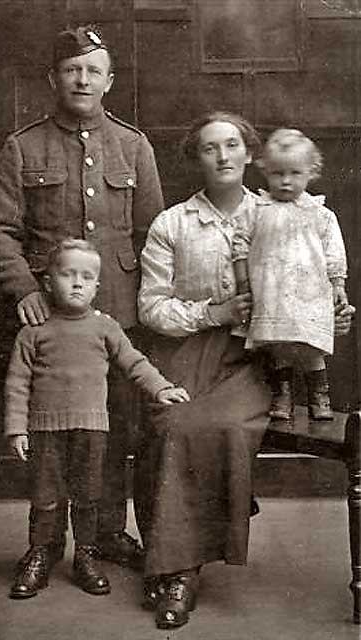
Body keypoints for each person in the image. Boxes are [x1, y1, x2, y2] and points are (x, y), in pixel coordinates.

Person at [134, 111, 354, 630]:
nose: (224, 156)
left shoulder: (282, 211)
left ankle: (179, 570)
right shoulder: (173, 224)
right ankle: (174, 564)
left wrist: (332, 315)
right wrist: (214, 312)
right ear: (195, 158)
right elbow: (151, 307)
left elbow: (319, 279)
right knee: (171, 423)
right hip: (189, 352)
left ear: (251, 154)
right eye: (210, 147)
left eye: (233, 145)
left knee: (219, 426)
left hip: (257, 360)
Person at [0, 23, 164, 585]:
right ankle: (44, 545)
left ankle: (104, 534)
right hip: (50, 323)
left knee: (111, 434)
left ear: (108, 81)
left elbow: (153, 234)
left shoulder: (133, 145)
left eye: (92, 71)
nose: (81, 79)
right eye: (71, 69)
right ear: (53, 78)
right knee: (49, 438)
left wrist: (148, 308)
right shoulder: (24, 146)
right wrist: (27, 291)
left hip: (118, 318)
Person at [6, 238, 189, 599]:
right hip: (45, 429)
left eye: (87, 277)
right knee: (45, 496)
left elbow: (134, 363)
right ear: (47, 281)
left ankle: (86, 556)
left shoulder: (105, 328)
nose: (77, 283)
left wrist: (161, 388)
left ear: (97, 286)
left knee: (89, 495)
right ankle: (42, 551)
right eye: (67, 274)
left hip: (92, 430)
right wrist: (15, 429)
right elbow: (16, 383)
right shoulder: (33, 332)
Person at [232, 128, 348, 421]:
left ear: (312, 172)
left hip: (309, 292)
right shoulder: (255, 209)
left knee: (311, 348)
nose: (285, 181)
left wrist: (338, 284)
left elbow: (334, 252)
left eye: (295, 173)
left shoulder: (319, 213)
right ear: (265, 171)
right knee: (278, 346)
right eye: (277, 173)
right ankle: (282, 394)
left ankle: (318, 396)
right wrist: (244, 282)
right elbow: (239, 245)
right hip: (271, 291)